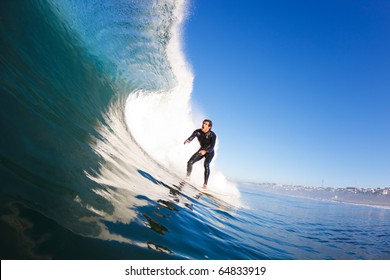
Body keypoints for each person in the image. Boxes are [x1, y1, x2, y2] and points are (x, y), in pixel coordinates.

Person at [184, 119, 216, 189]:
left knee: (206, 164)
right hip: (201, 150)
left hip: (210, 152)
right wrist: (188, 140)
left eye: (206, 124)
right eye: (203, 123)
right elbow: (191, 137)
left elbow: (212, 147)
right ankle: (188, 177)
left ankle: (205, 184)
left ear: (209, 127)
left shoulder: (212, 135)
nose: (203, 125)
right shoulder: (197, 132)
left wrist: (206, 151)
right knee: (190, 162)